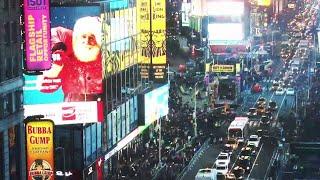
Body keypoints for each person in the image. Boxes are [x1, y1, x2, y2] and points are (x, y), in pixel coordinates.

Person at [40, 16, 103, 102]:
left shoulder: (104, 56)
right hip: (71, 108)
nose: (87, 41)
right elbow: (45, 87)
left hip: (101, 105)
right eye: (84, 36)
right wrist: (57, 53)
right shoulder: (68, 51)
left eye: (92, 37)